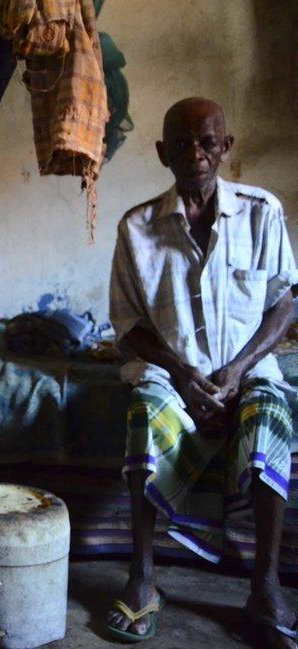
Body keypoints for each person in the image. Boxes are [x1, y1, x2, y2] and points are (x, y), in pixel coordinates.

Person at [107, 96, 298, 646]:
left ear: (226, 148)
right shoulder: (136, 227)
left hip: (246, 370)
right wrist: (185, 375)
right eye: (183, 143)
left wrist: (237, 369)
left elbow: (284, 302)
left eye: (208, 142)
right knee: (146, 406)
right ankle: (143, 577)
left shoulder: (262, 211)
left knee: (268, 414)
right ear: (163, 151)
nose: (196, 154)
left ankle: (265, 583)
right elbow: (127, 327)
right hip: (175, 374)